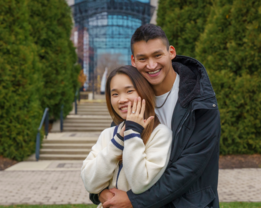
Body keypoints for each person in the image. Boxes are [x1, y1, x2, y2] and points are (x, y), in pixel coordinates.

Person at [90, 24, 221, 208]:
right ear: (133, 61)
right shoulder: (133, 100)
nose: (151, 65)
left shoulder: (201, 102)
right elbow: (115, 155)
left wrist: (133, 201)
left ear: (171, 52)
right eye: (143, 58)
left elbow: (187, 170)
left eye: (157, 55)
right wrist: (100, 192)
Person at [81, 65, 173, 208]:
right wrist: (117, 142)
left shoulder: (160, 134)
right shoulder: (108, 135)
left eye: (129, 91)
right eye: (115, 94)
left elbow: (139, 184)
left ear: (144, 92)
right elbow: (90, 183)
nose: (121, 100)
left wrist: (132, 133)